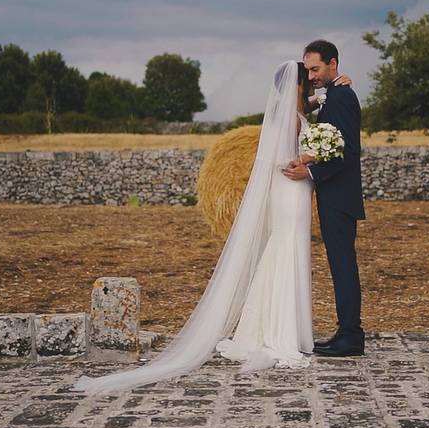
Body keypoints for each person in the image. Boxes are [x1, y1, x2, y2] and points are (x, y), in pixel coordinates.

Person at [72, 59, 353, 394]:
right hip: (291, 191)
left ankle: (274, 327)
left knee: (284, 250)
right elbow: (288, 158)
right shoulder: (292, 120)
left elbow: (314, 106)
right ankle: (280, 332)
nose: (310, 81)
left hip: (292, 191)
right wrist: (309, 160)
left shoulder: (297, 112)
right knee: (285, 250)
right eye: (305, 78)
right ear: (295, 85)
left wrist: (333, 88)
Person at [282, 39, 366, 357]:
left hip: (340, 197)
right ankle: (345, 332)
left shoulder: (342, 96)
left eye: (316, 68)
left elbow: (347, 152)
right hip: (333, 196)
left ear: (333, 64)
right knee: (339, 264)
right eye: (308, 70)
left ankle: (351, 336)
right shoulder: (333, 95)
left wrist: (311, 173)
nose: (311, 75)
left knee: (343, 265)